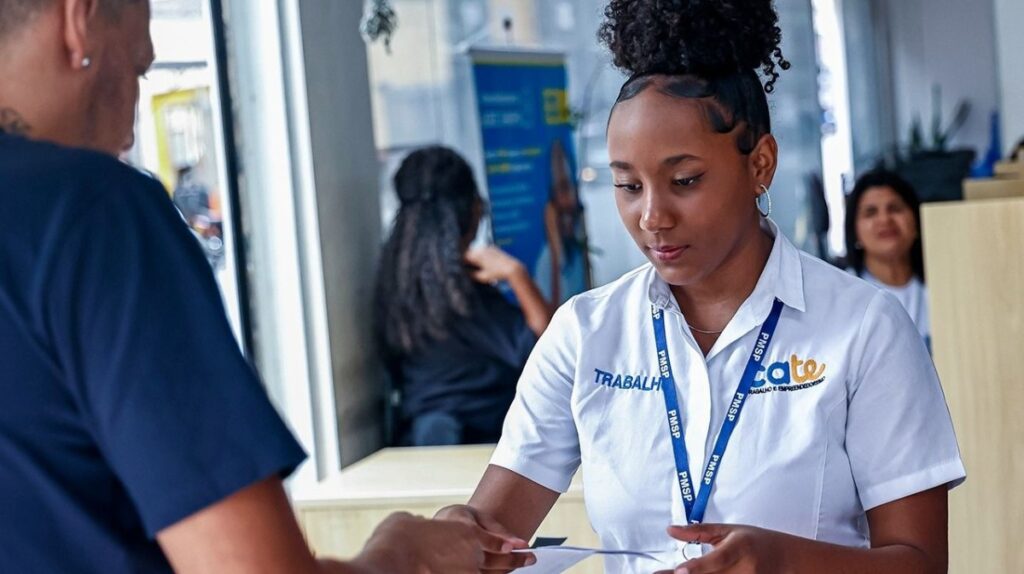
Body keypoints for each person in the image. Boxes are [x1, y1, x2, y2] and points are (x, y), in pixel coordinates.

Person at [437, 1, 965, 573]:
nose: (652, 216)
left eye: (684, 181)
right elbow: (492, 528)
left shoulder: (864, 328)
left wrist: (782, 561)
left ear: (760, 164)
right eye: (627, 185)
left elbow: (920, 563)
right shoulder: (585, 332)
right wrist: (454, 535)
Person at [0, 1, 523, 572]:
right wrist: (405, 552)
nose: (129, 129)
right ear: (81, 20)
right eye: (139, 69)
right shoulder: (93, 214)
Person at [376, 146, 552, 446]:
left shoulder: (398, 279)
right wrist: (517, 274)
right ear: (471, 211)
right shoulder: (457, 290)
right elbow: (547, 351)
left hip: (420, 439)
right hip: (477, 443)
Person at [845, 170, 931, 347]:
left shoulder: (944, 285)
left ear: (916, 220)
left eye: (895, 209)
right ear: (854, 231)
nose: (884, 219)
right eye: (870, 212)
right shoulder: (842, 297)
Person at [534, 139, 592, 305]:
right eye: (558, 190)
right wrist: (555, 247)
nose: (565, 200)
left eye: (569, 188)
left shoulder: (576, 251)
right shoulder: (546, 262)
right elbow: (550, 321)